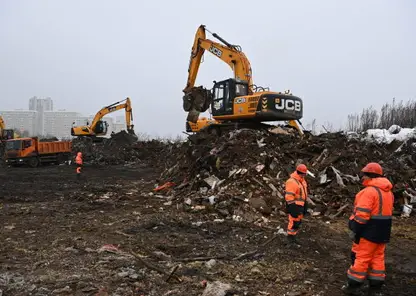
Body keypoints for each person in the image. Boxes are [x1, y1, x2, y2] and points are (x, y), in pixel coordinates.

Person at [342, 162, 394, 296]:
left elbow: (361, 215)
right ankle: (375, 288)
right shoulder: (389, 193)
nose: (362, 178)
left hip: (368, 231)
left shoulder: (368, 192)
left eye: (364, 175)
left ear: (370, 176)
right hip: (383, 232)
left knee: (362, 258)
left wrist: (355, 228)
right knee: (377, 258)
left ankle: (353, 286)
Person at [284, 163, 308, 245]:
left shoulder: (302, 181)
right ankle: (290, 238)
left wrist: (305, 204)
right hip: (294, 205)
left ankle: (293, 237)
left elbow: (303, 194)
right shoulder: (292, 181)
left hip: (300, 205)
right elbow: (289, 196)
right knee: (293, 222)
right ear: (300, 172)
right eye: (304, 173)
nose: (305, 175)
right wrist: (292, 207)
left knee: (297, 222)